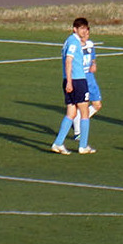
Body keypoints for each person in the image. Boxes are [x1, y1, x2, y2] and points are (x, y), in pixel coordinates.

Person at [50, 17, 96, 154]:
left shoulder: (70, 41)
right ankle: (83, 146)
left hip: (70, 79)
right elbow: (68, 61)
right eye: (81, 28)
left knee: (71, 112)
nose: (84, 31)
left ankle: (58, 143)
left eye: (85, 28)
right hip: (77, 80)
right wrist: (70, 81)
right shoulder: (74, 42)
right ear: (75, 29)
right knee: (85, 112)